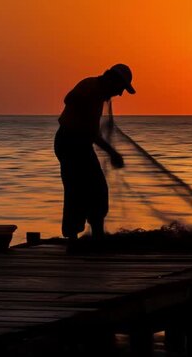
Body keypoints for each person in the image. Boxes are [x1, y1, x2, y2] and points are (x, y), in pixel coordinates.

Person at [54, 64, 135, 242]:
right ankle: (74, 238)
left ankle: (95, 235)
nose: (120, 94)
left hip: (80, 144)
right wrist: (112, 152)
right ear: (112, 80)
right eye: (120, 88)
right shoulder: (90, 86)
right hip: (69, 142)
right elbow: (69, 99)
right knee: (76, 189)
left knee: (95, 189)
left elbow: (91, 133)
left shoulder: (98, 95)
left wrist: (112, 152)